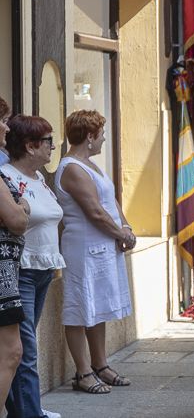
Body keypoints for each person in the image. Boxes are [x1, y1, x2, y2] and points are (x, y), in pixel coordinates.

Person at [54, 110, 134, 397]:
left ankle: (101, 365)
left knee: (96, 305)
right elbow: (95, 211)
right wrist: (120, 234)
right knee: (79, 307)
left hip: (101, 245)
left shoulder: (91, 165)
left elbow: (110, 200)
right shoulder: (72, 168)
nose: (102, 139)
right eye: (100, 134)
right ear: (89, 137)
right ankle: (83, 371)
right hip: (83, 248)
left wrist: (125, 225)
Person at [3, 115, 66, 417]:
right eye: (48, 141)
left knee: (25, 346)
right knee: (24, 349)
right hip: (21, 272)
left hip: (42, 270)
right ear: (30, 146)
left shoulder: (38, 178)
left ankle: (25, 408)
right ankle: (30, 413)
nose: (54, 147)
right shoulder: (7, 176)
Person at [0, 99, 29, 410]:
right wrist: (19, 207)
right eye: (1, 120)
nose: (6, 127)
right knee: (11, 351)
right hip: (1, 276)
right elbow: (19, 220)